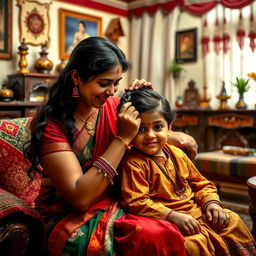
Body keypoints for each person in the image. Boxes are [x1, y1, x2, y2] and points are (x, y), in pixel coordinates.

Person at [24, 37, 197, 256]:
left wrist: (145, 105)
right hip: (69, 211)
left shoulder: (114, 106)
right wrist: (123, 139)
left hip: (122, 197)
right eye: (104, 83)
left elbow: (160, 136)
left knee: (187, 222)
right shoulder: (52, 124)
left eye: (117, 82)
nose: (112, 91)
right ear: (77, 77)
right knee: (156, 234)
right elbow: (80, 198)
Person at [118, 87, 256, 256]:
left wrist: (211, 203)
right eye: (142, 129)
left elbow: (200, 183)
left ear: (169, 128)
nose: (150, 135)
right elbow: (136, 202)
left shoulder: (177, 153)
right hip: (169, 220)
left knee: (232, 220)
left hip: (196, 212)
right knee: (193, 244)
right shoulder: (133, 163)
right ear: (131, 129)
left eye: (158, 127)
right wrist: (172, 216)